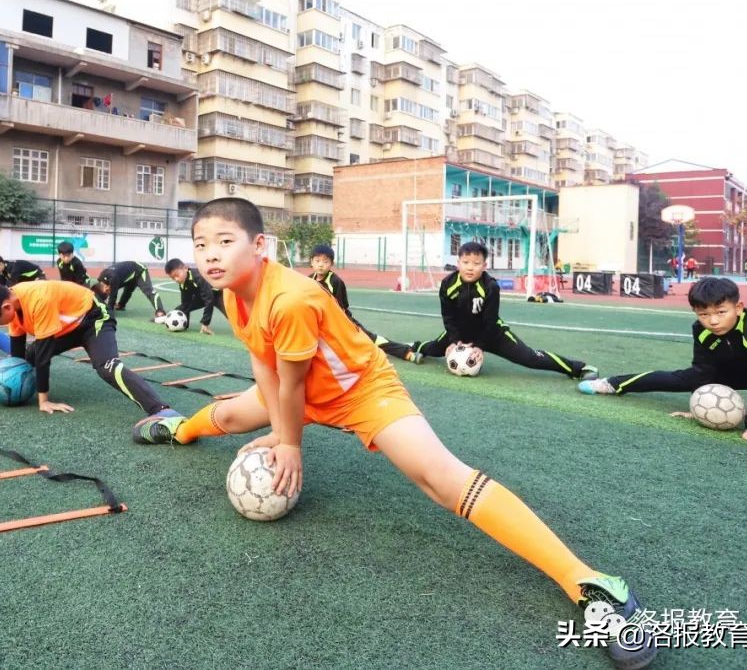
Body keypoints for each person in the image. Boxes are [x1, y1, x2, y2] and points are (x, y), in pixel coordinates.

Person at [133, 198, 655, 669]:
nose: (211, 255)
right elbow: (266, 370)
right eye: (201, 245)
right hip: (304, 392)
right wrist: (276, 426)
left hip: (363, 391)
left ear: (259, 245)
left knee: (440, 479)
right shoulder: (231, 295)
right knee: (223, 418)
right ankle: (177, 427)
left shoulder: (290, 297)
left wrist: (288, 441)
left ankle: (591, 584)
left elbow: (289, 385)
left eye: (225, 241)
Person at [580, 278, 747, 444]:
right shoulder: (701, 329)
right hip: (737, 370)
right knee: (683, 378)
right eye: (704, 315)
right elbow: (702, 370)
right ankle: (612, 383)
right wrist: (700, 404)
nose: (713, 321)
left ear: (738, 308)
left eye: (721, 312)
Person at [0, 279, 178, 418]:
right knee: (28, 356)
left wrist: (44, 401)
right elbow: (19, 349)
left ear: (5, 307)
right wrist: (11, 369)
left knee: (106, 366)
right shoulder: (11, 303)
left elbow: (45, 358)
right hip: (66, 327)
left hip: (93, 319)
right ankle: (3, 364)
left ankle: (160, 409)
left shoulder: (39, 299)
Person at [410, 242, 598, 380]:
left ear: (484, 266)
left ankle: (577, 368)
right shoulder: (448, 284)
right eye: (466, 262)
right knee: (431, 348)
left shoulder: (490, 286)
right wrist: (453, 341)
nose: (470, 267)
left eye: (476, 263)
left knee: (530, 357)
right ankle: (411, 347)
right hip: (460, 333)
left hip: (492, 333)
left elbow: (490, 321)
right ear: (458, 263)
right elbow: (448, 316)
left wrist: (479, 346)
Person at [308, 244, 415, 362]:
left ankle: (405, 351)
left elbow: (340, 309)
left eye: (325, 261)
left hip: (343, 321)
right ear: (311, 262)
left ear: (331, 264)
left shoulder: (335, 281)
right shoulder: (308, 280)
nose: (321, 265)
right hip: (322, 323)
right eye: (317, 261)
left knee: (368, 338)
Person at [164, 258, 224, 335]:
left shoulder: (198, 277)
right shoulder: (183, 284)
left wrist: (205, 323)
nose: (176, 279)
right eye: (172, 278)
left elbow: (209, 299)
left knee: (233, 317)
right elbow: (186, 304)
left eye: (176, 275)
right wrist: (185, 325)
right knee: (179, 310)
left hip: (218, 295)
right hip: (202, 297)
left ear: (185, 268)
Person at [94, 261, 165, 322]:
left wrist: (108, 311)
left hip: (139, 270)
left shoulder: (113, 279)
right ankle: (121, 305)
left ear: (105, 289)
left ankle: (160, 311)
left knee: (148, 291)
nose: (107, 296)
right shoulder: (101, 278)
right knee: (128, 290)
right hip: (128, 274)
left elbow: (113, 297)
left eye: (106, 295)